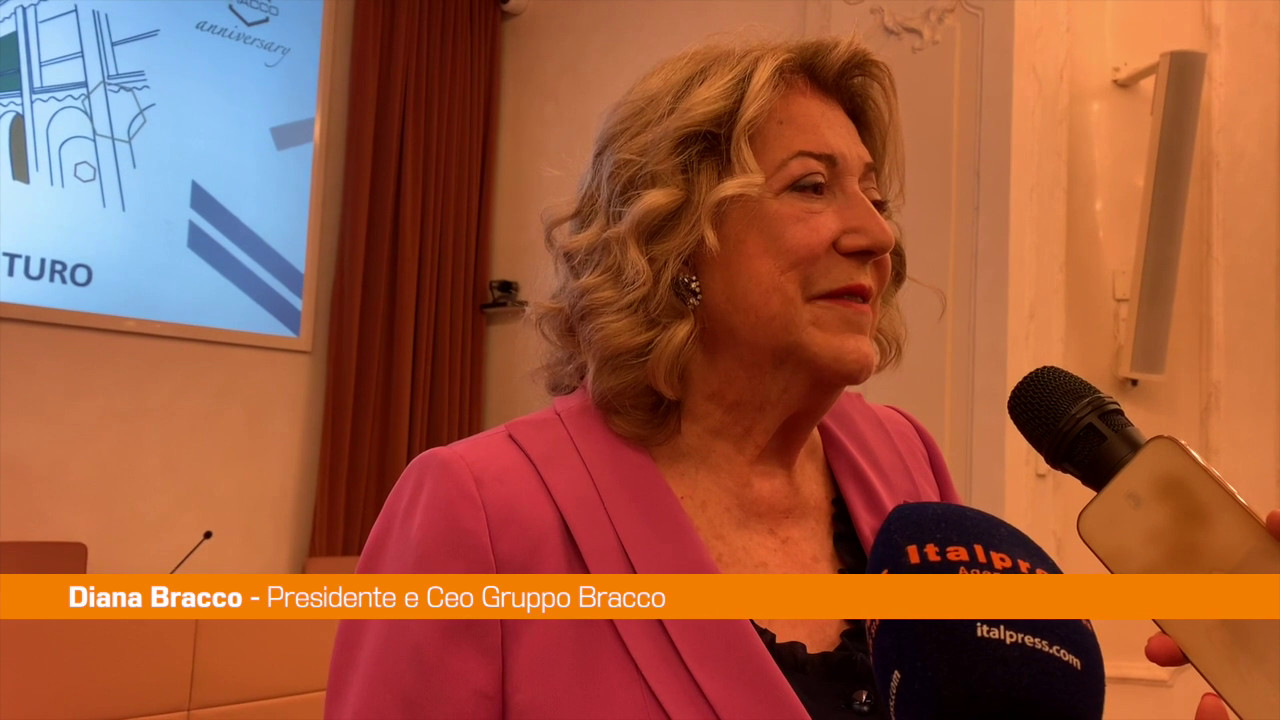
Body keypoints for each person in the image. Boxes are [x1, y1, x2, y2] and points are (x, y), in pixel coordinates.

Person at [325, 34, 1280, 720]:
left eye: (875, 193)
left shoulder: (900, 461)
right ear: (676, 237)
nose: (876, 233)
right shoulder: (476, 511)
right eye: (812, 186)